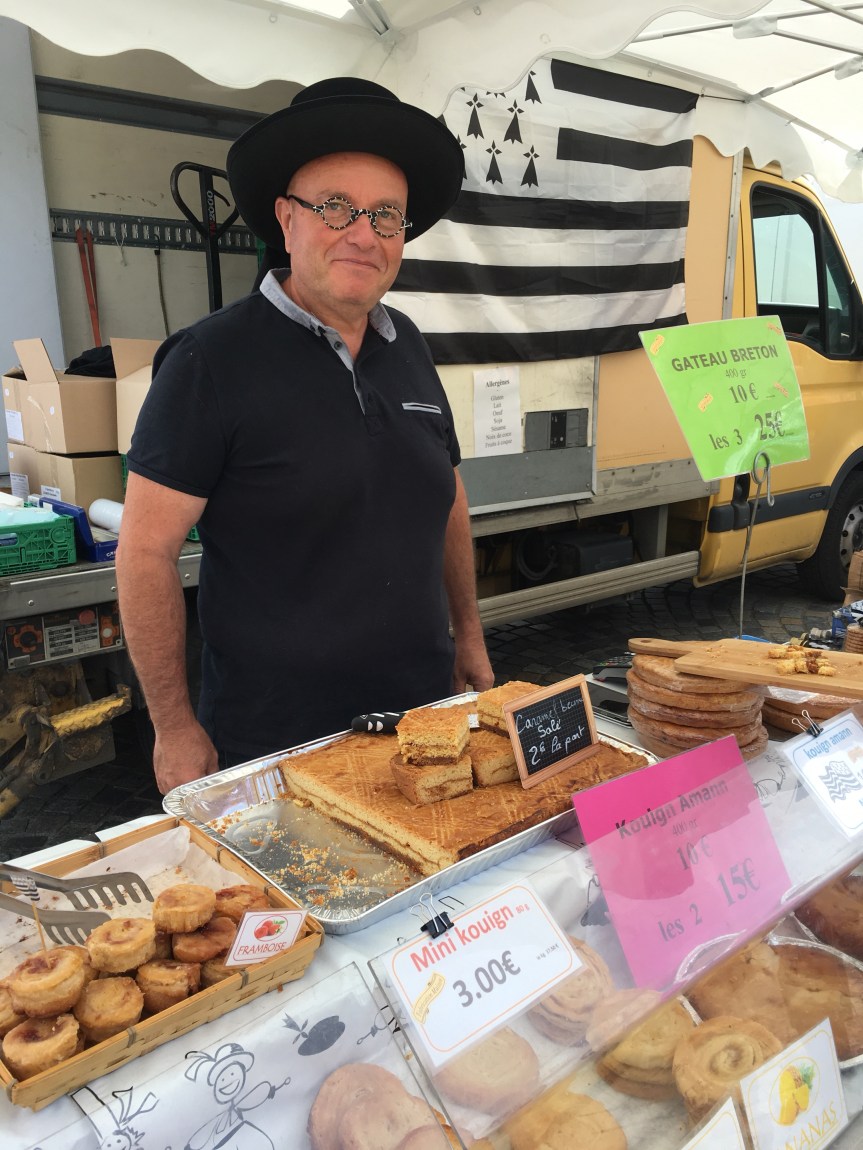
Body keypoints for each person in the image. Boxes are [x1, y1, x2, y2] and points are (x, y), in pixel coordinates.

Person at [116, 77, 494, 795]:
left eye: (386, 216)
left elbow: (445, 496)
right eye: (335, 208)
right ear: (285, 222)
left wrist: (468, 638)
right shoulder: (208, 361)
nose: (363, 233)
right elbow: (144, 552)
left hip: (421, 723)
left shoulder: (406, 343)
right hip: (275, 742)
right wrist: (172, 726)